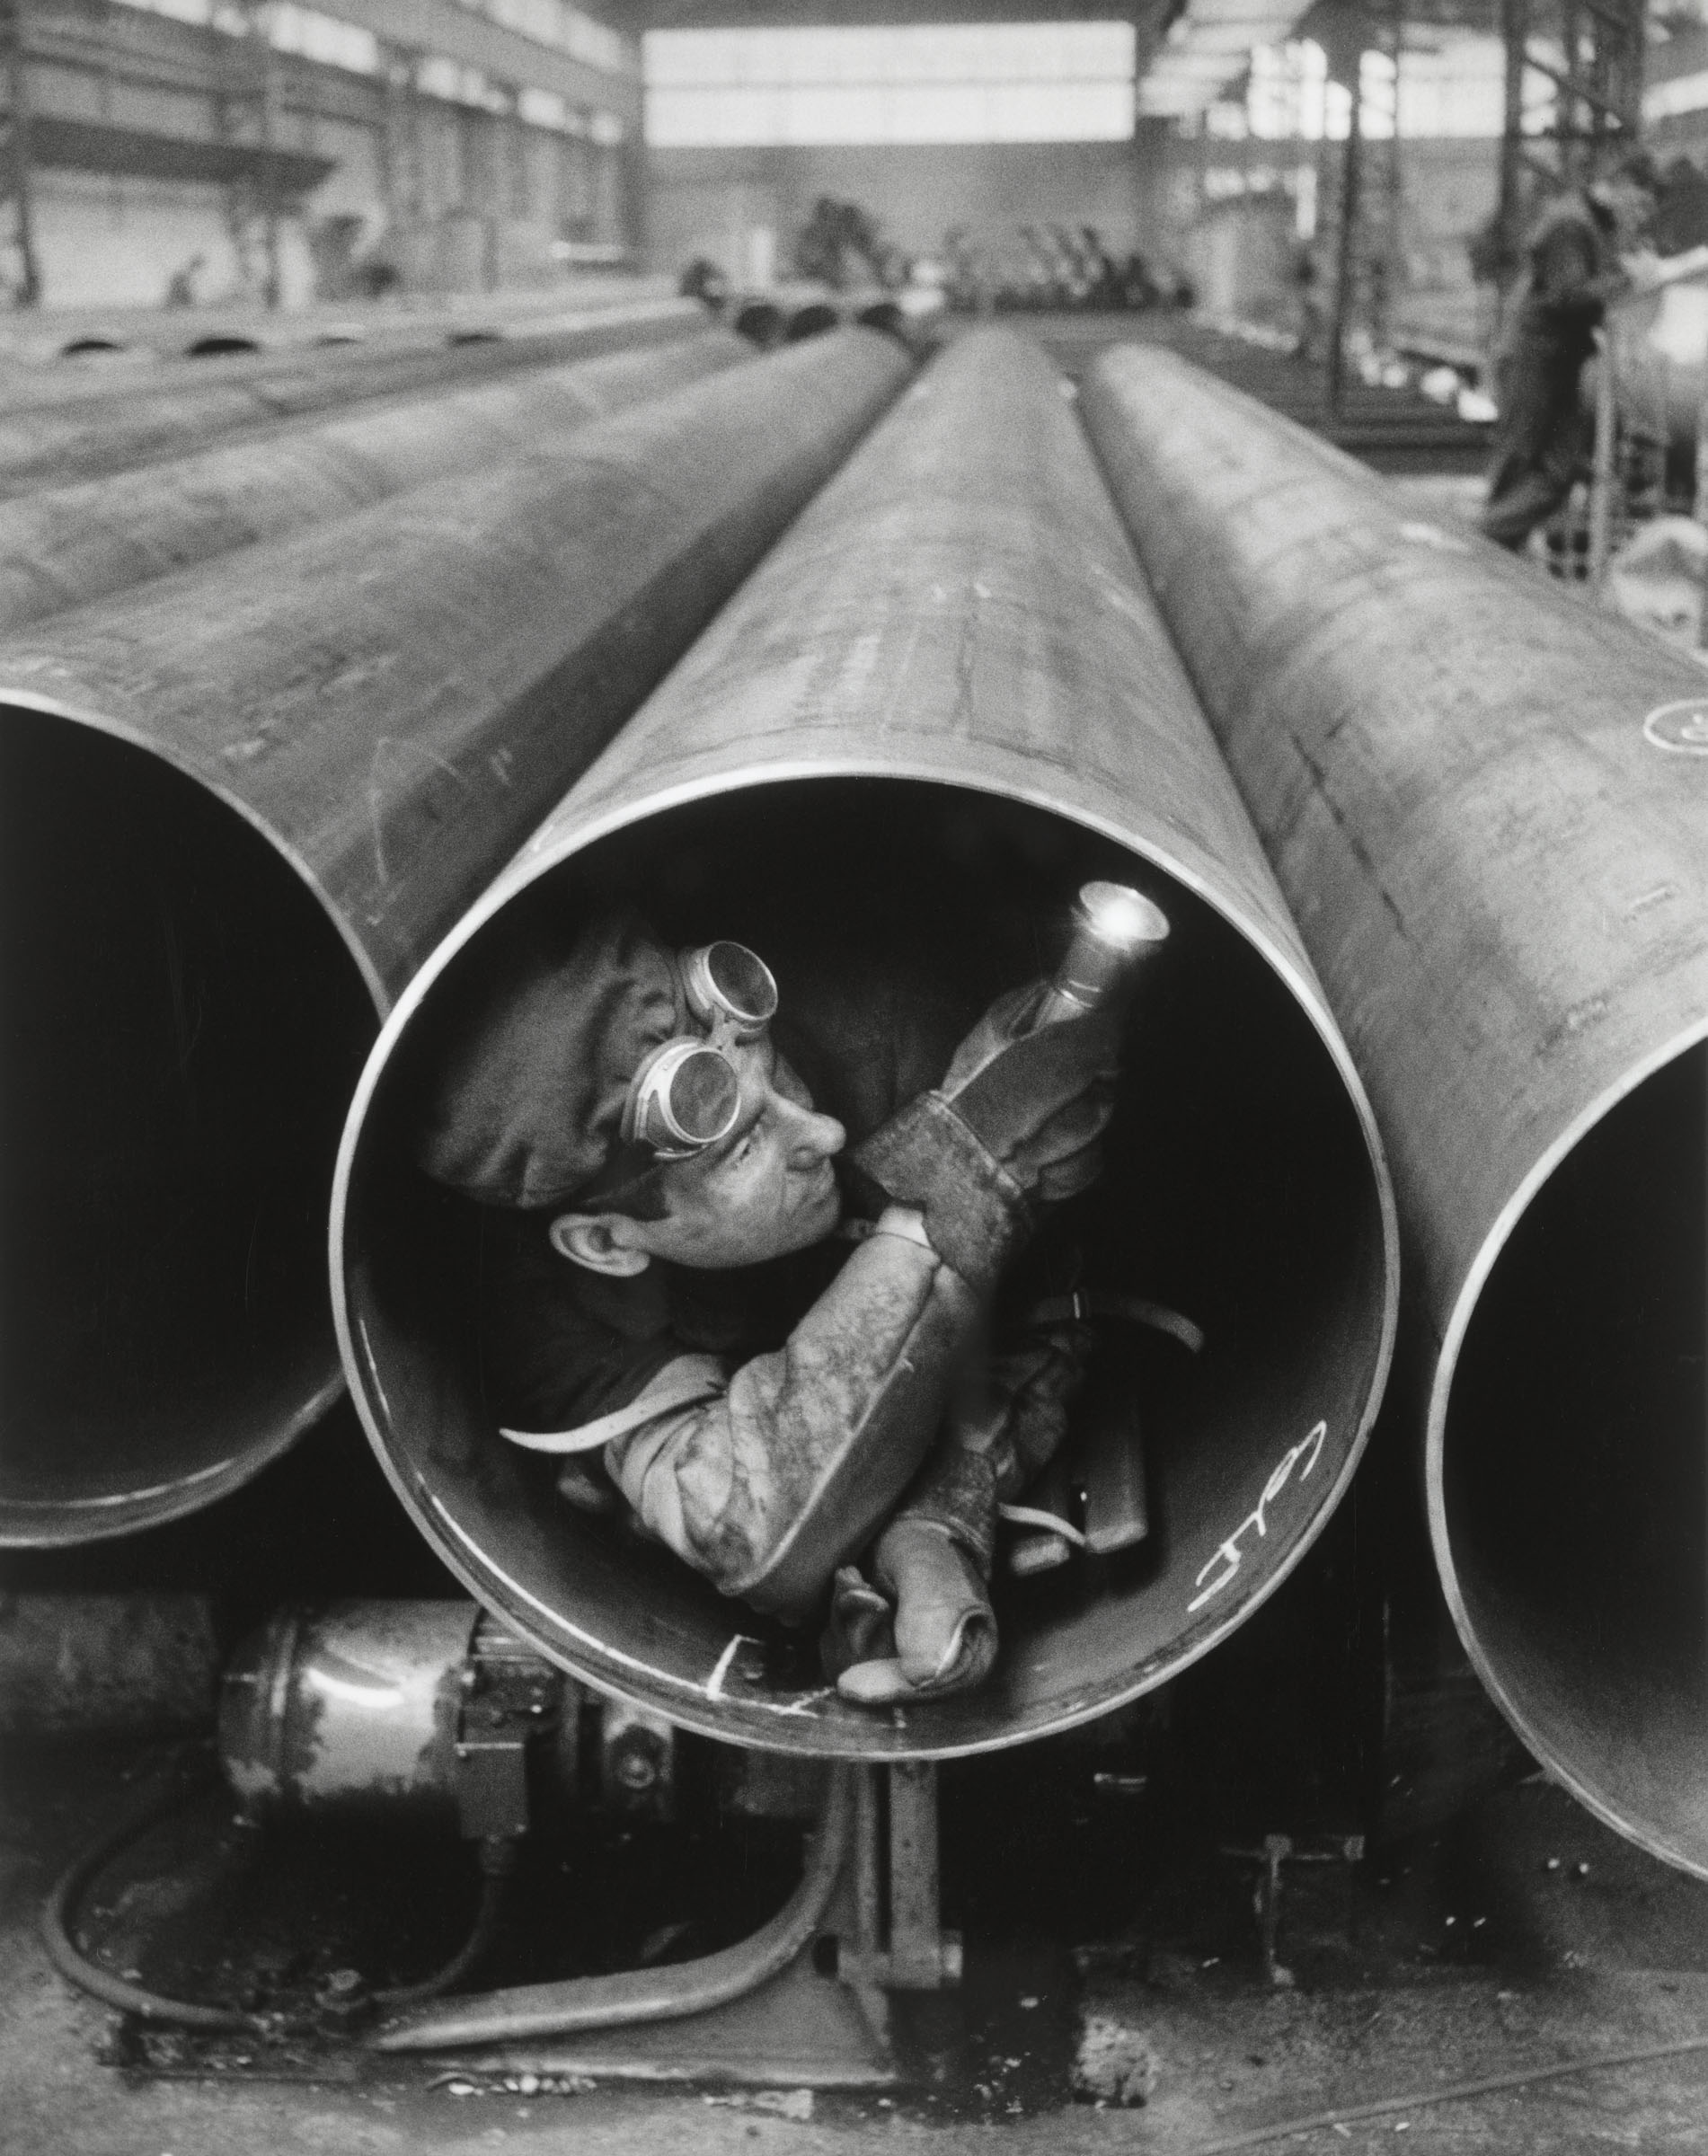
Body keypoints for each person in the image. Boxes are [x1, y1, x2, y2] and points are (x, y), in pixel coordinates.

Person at [412, 906, 1125, 1707]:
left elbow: (1060, 1289)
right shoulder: (551, 1321)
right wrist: (956, 1191)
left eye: (776, 1071)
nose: (821, 1129)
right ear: (608, 1245)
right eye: (744, 1146)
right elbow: (751, 1535)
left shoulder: (902, 1024)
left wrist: (952, 1500)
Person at [1480, 155, 1661, 552]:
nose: (1641, 214)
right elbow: (1567, 295)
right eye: (1640, 202)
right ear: (1622, 183)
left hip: (1561, 363)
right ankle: (1483, 549)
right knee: (1520, 460)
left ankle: (1494, 545)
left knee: (1560, 468)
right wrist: (1629, 278)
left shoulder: (1594, 225)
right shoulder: (1571, 222)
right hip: (1535, 358)